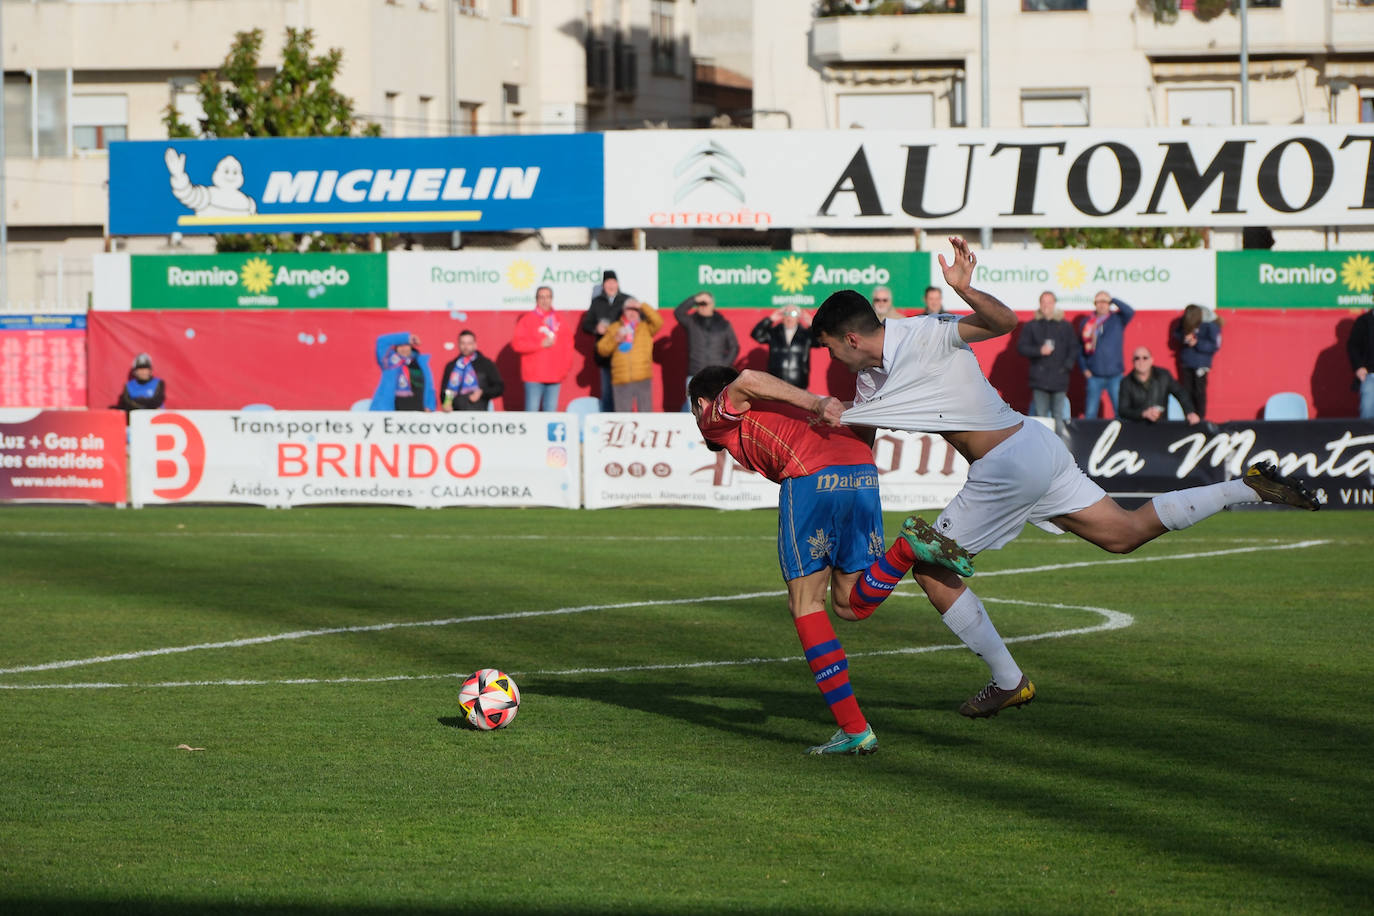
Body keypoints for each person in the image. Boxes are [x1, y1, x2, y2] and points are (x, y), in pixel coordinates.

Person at [809, 237, 1319, 718]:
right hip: (1034, 445)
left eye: (832, 348)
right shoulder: (869, 378)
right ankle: (1244, 485)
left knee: (930, 571)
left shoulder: (925, 331)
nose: (833, 359)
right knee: (1122, 534)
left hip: (1006, 465)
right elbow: (863, 428)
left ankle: (1008, 680)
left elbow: (1003, 321)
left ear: (851, 338)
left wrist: (966, 290)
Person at [689, 364, 953, 755]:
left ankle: (855, 730)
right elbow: (860, 421)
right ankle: (905, 550)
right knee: (850, 605)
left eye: (695, 410)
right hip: (862, 473)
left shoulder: (716, 416)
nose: (698, 419)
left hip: (811, 475)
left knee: (804, 603)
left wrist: (818, 402)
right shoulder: (780, 409)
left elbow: (745, 379)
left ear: (701, 403)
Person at [1016, 291, 1079, 421]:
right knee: (1041, 417)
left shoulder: (1065, 326)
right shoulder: (1031, 326)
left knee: (1059, 417)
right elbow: (1021, 348)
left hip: (1060, 379)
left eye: (1049, 303)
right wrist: (1039, 351)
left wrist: (1067, 367)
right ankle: (1042, 442)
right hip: (1039, 379)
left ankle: (1059, 441)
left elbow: (1074, 348)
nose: (1046, 306)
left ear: (1054, 304)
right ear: (1039, 304)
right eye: (1043, 302)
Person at [512, 285, 574, 411]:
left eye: (547, 297)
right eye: (541, 297)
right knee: (532, 413)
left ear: (552, 299)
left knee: (550, 415)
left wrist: (564, 370)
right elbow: (517, 344)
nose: (545, 300)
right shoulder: (527, 320)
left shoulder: (560, 321)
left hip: (555, 376)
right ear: (536, 299)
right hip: (534, 376)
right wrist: (539, 344)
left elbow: (568, 347)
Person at [674, 291, 739, 410]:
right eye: (700, 304)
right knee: (691, 408)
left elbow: (734, 347)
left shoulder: (723, 324)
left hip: (716, 375)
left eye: (705, 303)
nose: (702, 306)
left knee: (716, 408)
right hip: (695, 372)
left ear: (712, 305)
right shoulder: (691, 322)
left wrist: (723, 365)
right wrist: (694, 299)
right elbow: (678, 312)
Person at [596, 299, 662, 412]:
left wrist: (642, 305)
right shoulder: (614, 328)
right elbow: (602, 349)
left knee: (646, 415)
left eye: (635, 310)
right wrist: (615, 340)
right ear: (623, 311)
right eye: (629, 309)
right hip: (621, 379)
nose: (632, 312)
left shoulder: (645, 327)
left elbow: (658, 321)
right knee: (623, 416)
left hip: (642, 377)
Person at [1079, 289, 1135, 419]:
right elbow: (1080, 347)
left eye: (1105, 301)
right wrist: (1084, 368)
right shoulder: (1088, 323)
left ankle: (1123, 437)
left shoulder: (1117, 319)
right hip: (1094, 375)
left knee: (1120, 411)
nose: (1102, 304)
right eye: (1098, 301)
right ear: (1094, 304)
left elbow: (1130, 311)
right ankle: (1090, 438)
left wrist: (1113, 299)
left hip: (1115, 374)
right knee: (1091, 413)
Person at [581, 270, 631, 412]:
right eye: (607, 282)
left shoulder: (626, 300)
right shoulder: (597, 302)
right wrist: (596, 328)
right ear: (603, 285)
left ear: (617, 283)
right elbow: (586, 325)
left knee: (623, 392)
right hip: (605, 356)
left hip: (624, 354)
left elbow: (637, 321)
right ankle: (607, 423)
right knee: (607, 392)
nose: (610, 285)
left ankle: (624, 422)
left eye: (613, 282)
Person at [1119, 347, 1200, 425]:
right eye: (1137, 358)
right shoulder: (1126, 382)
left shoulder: (1163, 376)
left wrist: (1190, 412)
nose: (1141, 361)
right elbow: (1123, 410)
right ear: (1133, 362)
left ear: (1151, 360)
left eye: (1145, 358)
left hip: (1161, 427)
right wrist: (1143, 414)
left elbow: (1181, 393)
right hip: (1137, 428)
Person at [1171, 304, 1222, 419]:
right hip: (1186, 362)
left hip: (1201, 364)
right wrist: (1185, 338)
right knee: (1187, 390)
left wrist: (1197, 343)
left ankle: (1200, 417)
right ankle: (1189, 415)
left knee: (1199, 391)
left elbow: (1214, 345)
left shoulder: (1210, 324)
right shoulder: (1185, 321)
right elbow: (1177, 333)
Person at [751, 306, 821, 389]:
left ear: (798, 317)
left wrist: (813, 324)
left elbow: (819, 341)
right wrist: (770, 319)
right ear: (782, 316)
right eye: (786, 313)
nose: (789, 317)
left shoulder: (806, 334)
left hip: (799, 382)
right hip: (775, 382)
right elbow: (756, 335)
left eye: (793, 314)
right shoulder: (774, 333)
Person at [439, 329, 504, 412]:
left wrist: (482, 393)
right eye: (463, 343)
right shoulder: (452, 366)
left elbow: (499, 387)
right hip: (456, 414)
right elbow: (445, 390)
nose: (466, 347)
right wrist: (446, 403)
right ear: (458, 344)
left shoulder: (485, 364)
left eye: (469, 343)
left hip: (479, 412)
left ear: (475, 345)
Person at [371, 332, 435, 412]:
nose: (403, 348)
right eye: (400, 345)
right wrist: (406, 338)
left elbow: (428, 385)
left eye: (406, 345)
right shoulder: (389, 361)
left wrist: (429, 405)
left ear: (411, 347)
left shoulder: (420, 362)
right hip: (392, 410)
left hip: (418, 410)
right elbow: (381, 341)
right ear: (396, 348)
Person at [1349, 305, 1374, 419]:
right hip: (1370, 375)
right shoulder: (1364, 322)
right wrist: (1358, 367)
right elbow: (1353, 346)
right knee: (1367, 412)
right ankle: (1368, 437)